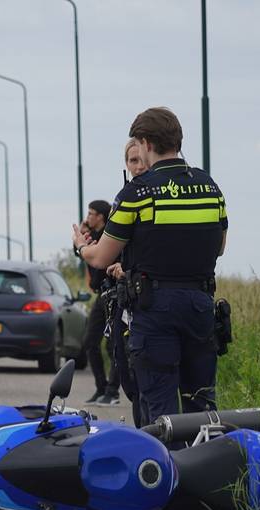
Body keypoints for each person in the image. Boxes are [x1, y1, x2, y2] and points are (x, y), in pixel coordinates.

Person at [73, 107, 227, 421]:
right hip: (200, 305)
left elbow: (102, 257)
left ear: (144, 142)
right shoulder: (210, 187)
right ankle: (203, 465)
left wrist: (81, 248)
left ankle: (167, 468)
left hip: (155, 309)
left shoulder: (137, 193)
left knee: (160, 411)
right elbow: (220, 247)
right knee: (201, 406)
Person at [105, 138, 150, 425]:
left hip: (151, 303)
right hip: (127, 306)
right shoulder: (123, 198)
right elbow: (107, 254)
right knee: (132, 384)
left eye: (142, 160)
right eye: (132, 161)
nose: (138, 166)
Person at [75, 199, 119, 406]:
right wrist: (80, 238)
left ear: (101, 216)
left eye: (91, 213)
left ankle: (113, 391)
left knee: (114, 345)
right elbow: (82, 255)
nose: (88, 217)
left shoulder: (108, 237)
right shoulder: (91, 237)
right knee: (90, 342)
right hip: (100, 295)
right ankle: (101, 388)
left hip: (115, 294)